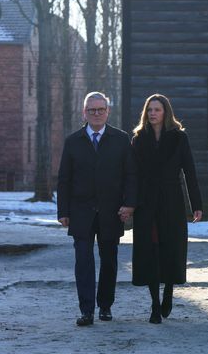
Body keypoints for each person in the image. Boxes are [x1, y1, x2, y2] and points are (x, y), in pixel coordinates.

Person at [57, 92, 137, 326]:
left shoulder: (121, 140)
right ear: (84, 112)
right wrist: (63, 211)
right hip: (80, 211)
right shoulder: (73, 141)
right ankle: (86, 311)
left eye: (101, 109)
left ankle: (105, 306)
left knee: (109, 260)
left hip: (112, 211)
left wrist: (129, 204)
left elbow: (131, 175)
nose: (96, 114)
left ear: (107, 111)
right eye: (92, 110)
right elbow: (64, 179)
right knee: (83, 261)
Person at [131, 94, 203, 324]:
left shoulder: (179, 138)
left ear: (166, 112)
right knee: (150, 251)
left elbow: (189, 172)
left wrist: (197, 205)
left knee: (170, 248)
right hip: (147, 202)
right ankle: (154, 304)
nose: (153, 113)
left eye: (157, 109)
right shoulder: (138, 139)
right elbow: (132, 176)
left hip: (172, 200)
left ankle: (169, 291)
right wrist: (130, 203)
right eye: (149, 109)